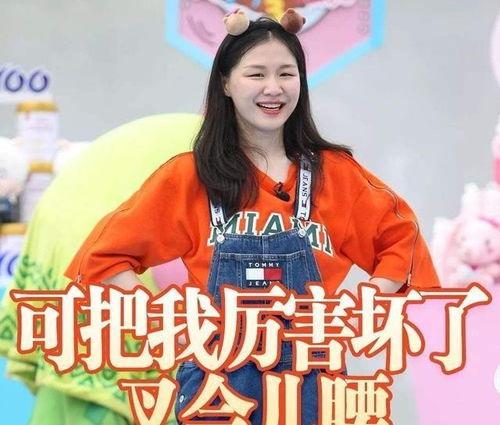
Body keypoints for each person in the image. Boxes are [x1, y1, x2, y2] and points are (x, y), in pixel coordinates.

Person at [65, 9, 440, 424]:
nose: (273, 88)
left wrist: (355, 312)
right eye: (256, 74)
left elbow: (401, 239)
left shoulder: (336, 175)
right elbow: (104, 256)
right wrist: (169, 323)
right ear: (225, 83)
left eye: (286, 74)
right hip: (215, 387)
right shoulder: (190, 176)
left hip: (315, 388)